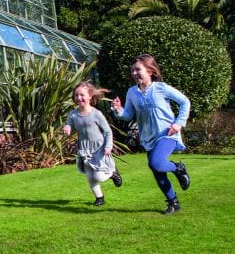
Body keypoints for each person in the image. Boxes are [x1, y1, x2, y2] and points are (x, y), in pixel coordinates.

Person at [111, 54, 191, 215]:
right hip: (148, 137)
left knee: (155, 163)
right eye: (132, 70)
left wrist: (179, 123)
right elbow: (128, 115)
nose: (134, 73)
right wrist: (118, 110)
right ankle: (173, 203)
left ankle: (178, 168)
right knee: (158, 172)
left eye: (138, 69)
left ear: (150, 71)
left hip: (167, 134)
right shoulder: (132, 92)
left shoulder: (161, 88)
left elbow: (185, 102)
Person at [64, 81, 122, 207]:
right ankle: (99, 198)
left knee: (99, 177)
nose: (79, 98)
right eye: (76, 95)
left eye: (82, 95)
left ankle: (112, 173)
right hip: (84, 149)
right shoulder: (73, 114)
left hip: (99, 149)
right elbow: (70, 126)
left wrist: (108, 146)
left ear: (90, 96)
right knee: (90, 177)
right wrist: (68, 128)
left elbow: (107, 131)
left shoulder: (96, 114)